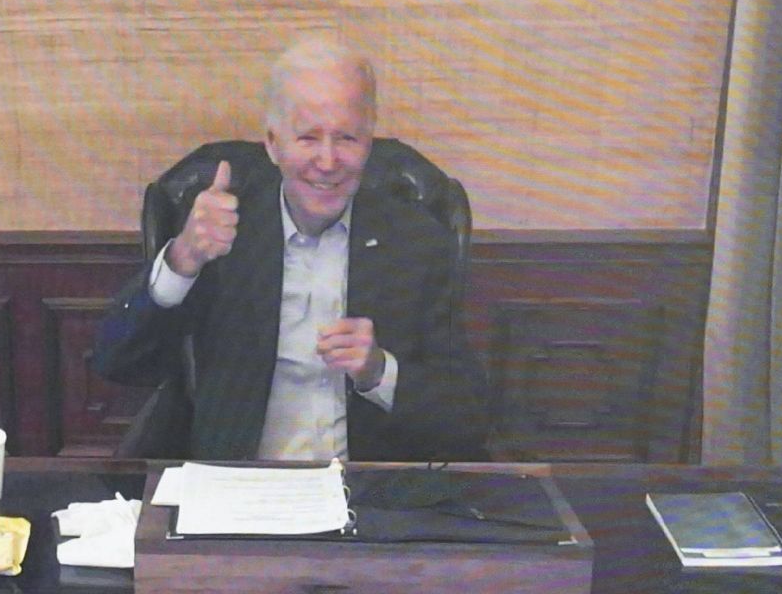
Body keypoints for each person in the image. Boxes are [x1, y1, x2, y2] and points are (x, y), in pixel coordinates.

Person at [92, 38, 489, 462]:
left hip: (366, 495)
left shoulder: (416, 241)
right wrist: (182, 260)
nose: (328, 160)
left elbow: (467, 419)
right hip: (240, 487)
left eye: (347, 138)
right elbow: (118, 362)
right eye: (307, 138)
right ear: (272, 143)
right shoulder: (221, 233)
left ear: (369, 142)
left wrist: (378, 371)